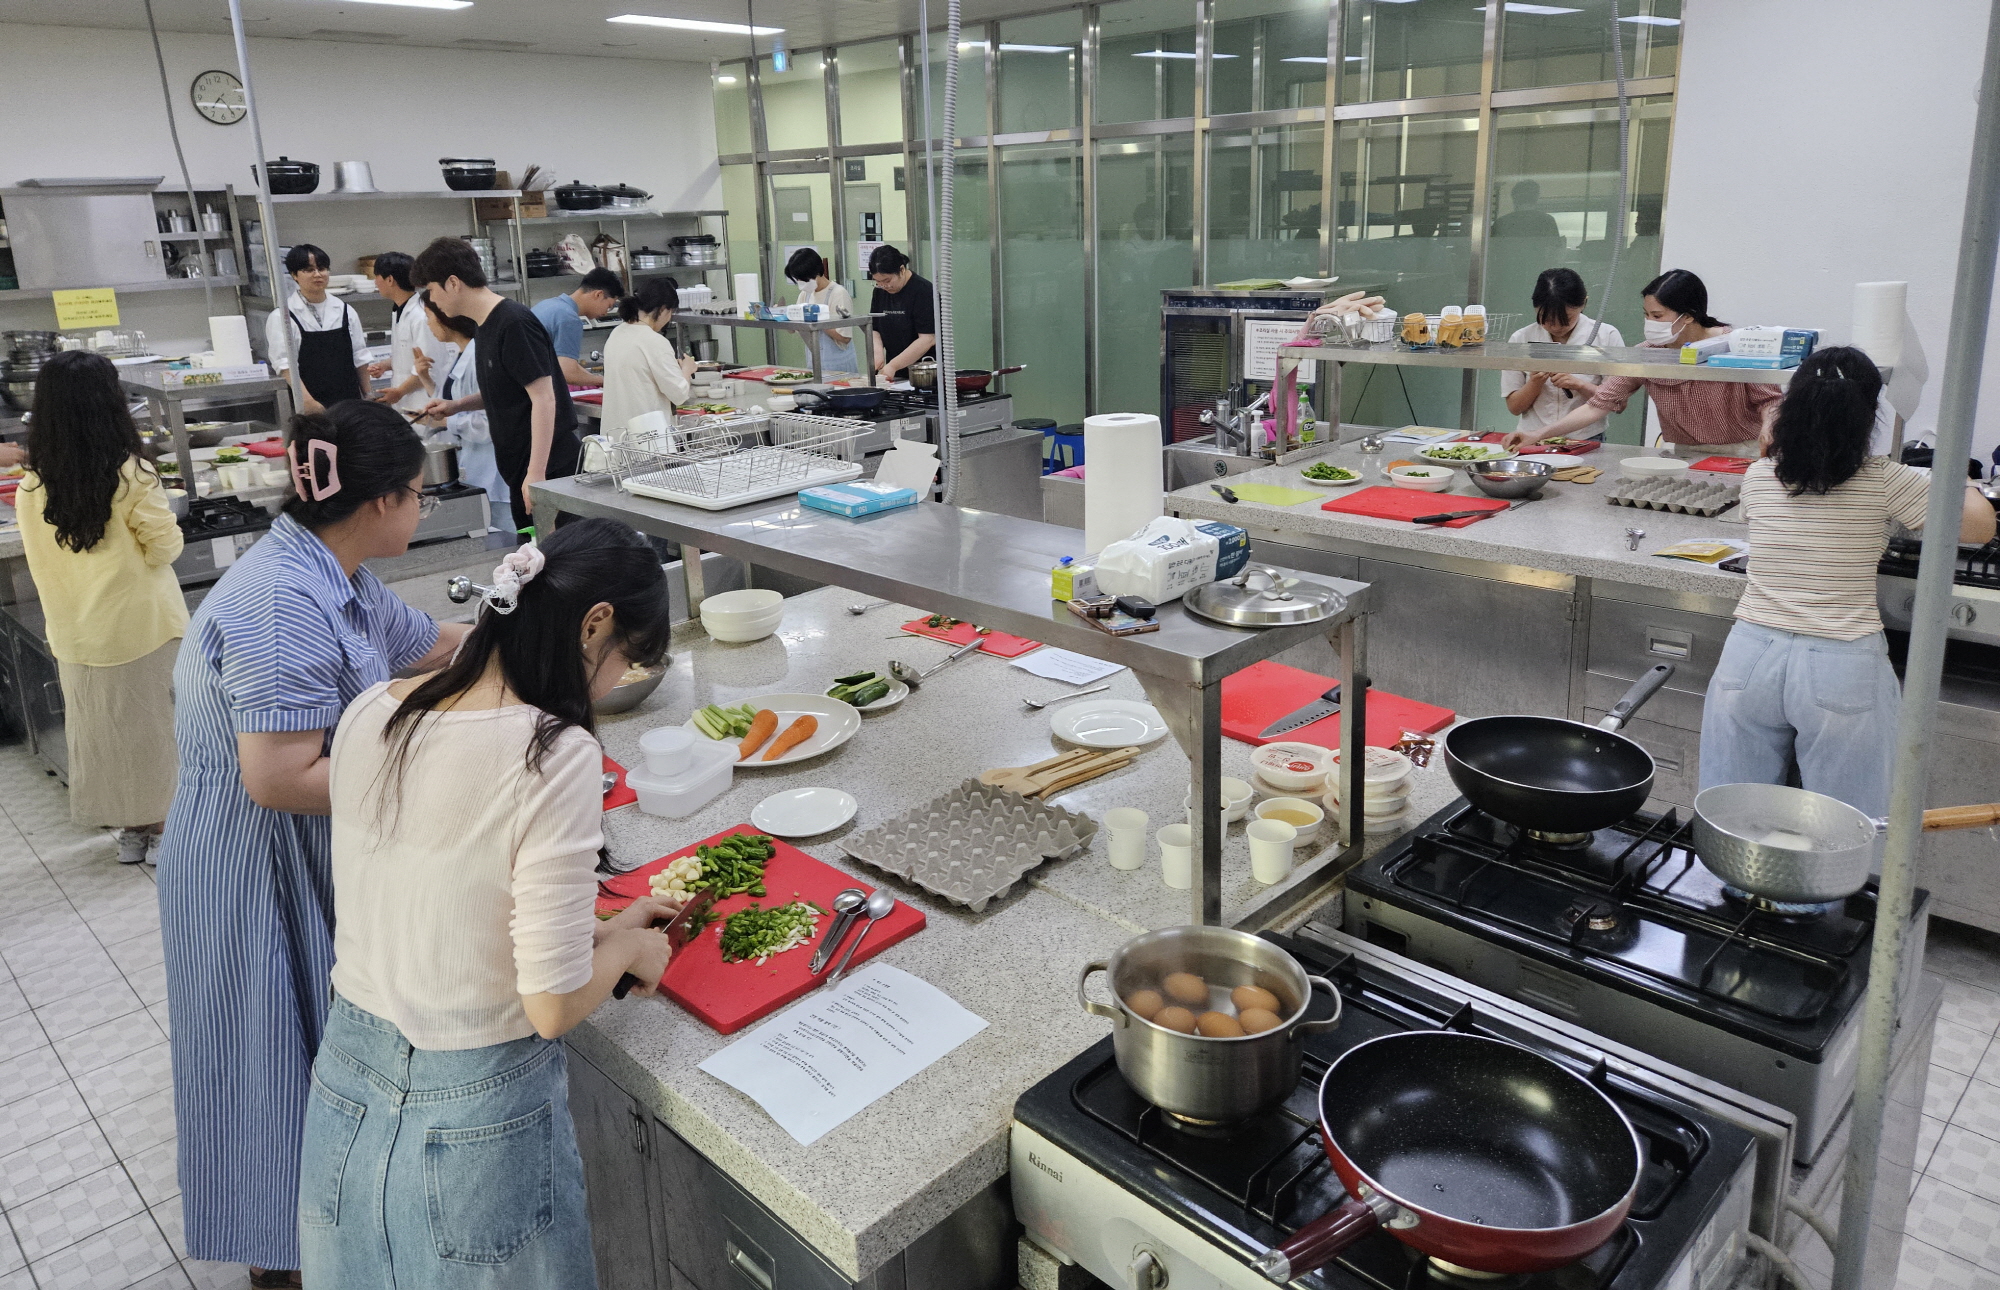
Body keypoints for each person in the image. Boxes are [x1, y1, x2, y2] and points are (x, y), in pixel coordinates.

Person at [301, 518, 677, 1286]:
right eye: (626, 662)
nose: (614, 683)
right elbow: (550, 1006)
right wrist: (634, 951)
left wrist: (601, 931)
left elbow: (445, 902)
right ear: (595, 624)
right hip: (474, 1115)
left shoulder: (376, 709)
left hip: (346, 1084)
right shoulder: (553, 752)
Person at [155, 400, 471, 1287]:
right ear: (378, 502)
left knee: (322, 1049)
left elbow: (421, 645)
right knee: (268, 1056)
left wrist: (515, 641)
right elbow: (279, 777)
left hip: (307, 848)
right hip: (250, 861)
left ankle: (336, 1232)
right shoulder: (280, 600)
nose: (423, 507)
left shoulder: (334, 569)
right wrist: (435, 774)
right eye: (417, 492)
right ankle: (284, 1262)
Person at [1698, 348, 1996, 817]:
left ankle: (1740, 885)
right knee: (1841, 821)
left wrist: (1774, 429)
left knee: (1734, 809)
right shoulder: (1886, 480)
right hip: (1840, 661)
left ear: (1789, 407)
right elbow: (1981, 526)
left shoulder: (1758, 477)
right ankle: (1812, 893)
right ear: (1868, 417)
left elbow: (1779, 460)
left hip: (1750, 655)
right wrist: (1959, 478)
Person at [14, 351, 186, 864]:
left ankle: (132, 831)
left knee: (103, 734)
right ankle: (161, 828)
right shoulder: (131, 475)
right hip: (141, 627)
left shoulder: (32, 486)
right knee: (156, 731)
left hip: (75, 634)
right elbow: (165, 548)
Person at [1505, 269, 1783, 458]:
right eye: (1646, 314)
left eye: (1657, 315)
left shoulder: (1735, 345)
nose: (1649, 323)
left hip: (1743, 451)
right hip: (1685, 452)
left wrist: (1770, 427)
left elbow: (1770, 400)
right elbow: (1597, 405)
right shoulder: (1647, 353)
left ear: (1687, 315)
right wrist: (1537, 435)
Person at [414, 236, 583, 536]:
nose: (433, 301)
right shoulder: (486, 325)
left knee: (559, 562)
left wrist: (536, 474)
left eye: (431, 290)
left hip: (551, 468)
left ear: (452, 283)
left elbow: (544, 399)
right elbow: (508, 389)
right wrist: (457, 405)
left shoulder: (514, 323)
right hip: (522, 467)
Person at [416, 296, 511, 534]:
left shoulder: (478, 355)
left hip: (493, 470)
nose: (428, 324)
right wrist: (425, 380)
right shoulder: (458, 354)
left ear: (444, 318)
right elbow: (449, 398)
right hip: (472, 467)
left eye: (429, 317)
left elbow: (492, 421)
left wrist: (448, 420)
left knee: (508, 540)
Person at [1501, 268, 1627, 441]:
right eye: (1546, 319)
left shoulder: (1606, 336)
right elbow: (1514, 407)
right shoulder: (1521, 338)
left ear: (1583, 303)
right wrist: (1535, 383)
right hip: (1531, 438)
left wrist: (1580, 385)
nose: (1556, 327)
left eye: (1565, 319)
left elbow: (1619, 404)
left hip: (1585, 438)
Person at [264, 243, 370, 413]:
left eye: (322, 268)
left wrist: (369, 395)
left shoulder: (345, 311)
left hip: (350, 402)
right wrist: (308, 402)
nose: (318, 274)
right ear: (294, 275)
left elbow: (360, 357)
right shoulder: (282, 316)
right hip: (308, 404)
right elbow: (285, 366)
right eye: (308, 270)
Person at [600, 277, 696, 440]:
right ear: (664, 309)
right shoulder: (654, 341)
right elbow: (678, 394)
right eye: (671, 312)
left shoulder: (617, 333)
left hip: (615, 437)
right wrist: (687, 370)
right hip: (647, 440)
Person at [368, 251, 457, 413]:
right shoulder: (399, 310)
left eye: (377, 276)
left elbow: (428, 366)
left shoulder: (421, 316)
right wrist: (385, 365)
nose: (375, 282)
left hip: (424, 401)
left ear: (389, 280)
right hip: (406, 401)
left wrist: (400, 391)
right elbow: (407, 353)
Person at [531, 266, 621, 389]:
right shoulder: (569, 318)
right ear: (599, 295)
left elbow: (564, 361)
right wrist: (603, 381)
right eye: (609, 306)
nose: (606, 312)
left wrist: (596, 380)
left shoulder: (547, 305)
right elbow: (567, 372)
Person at [866, 244, 937, 382]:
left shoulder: (924, 291)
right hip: (895, 374)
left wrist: (893, 365)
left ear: (902, 269)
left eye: (887, 280)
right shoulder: (880, 291)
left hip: (926, 373)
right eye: (878, 282)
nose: (884, 286)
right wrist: (878, 353)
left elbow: (927, 339)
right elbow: (875, 328)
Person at [786, 247, 858, 374]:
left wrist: (819, 322)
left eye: (803, 279)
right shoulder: (805, 294)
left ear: (816, 273)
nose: (800, 283)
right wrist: (784, 316)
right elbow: (795, 328)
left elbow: (845, 337)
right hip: (814, 364)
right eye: (798, 279)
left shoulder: (838, 293)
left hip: (839, 366)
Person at [1489, 179, 1563, 245]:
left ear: (1514, 198)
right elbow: (1555, 252)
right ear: (1536, 198)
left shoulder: (1501, 223)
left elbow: (1491, 251)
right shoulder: (1547, 221)